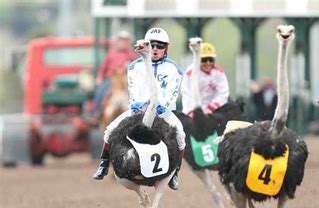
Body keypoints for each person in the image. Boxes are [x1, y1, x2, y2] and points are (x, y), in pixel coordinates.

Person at [92, 27, 186, 191]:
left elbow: (173, 92)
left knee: (180, 134)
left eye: (160, 45)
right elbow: (133, 89)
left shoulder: (174, 69)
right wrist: (136, 103)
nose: (155, 49)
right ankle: (104, 164)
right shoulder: (134, 67)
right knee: (110, 129)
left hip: (163, 111)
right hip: (139, 110)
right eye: (152, 45)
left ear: (166, 49)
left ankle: (175, 173)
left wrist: (162, 106)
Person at [93, 30, 138, 112]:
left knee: (137, 95)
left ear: (129, 42)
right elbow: (104, 66)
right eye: (121, 40)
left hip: (127, 81)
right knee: (100, 92)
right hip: (112, 79)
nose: (123, 43)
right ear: (118, 41)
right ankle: (96, 113)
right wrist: (100, 77)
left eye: (126, 41)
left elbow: (138, 69)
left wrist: (129, 68)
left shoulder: (132, 55)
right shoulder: (111, 53)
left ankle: (137, 112)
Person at [181, 42, 229, 117]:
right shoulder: (190, 72)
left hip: (213, 112)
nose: (208, 63)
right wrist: (191, 112)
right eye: (204, 60)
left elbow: (223, 93)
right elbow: (187, 94)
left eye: (211, 59)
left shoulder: (219, 73)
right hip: (192, 112)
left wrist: (211, 108)